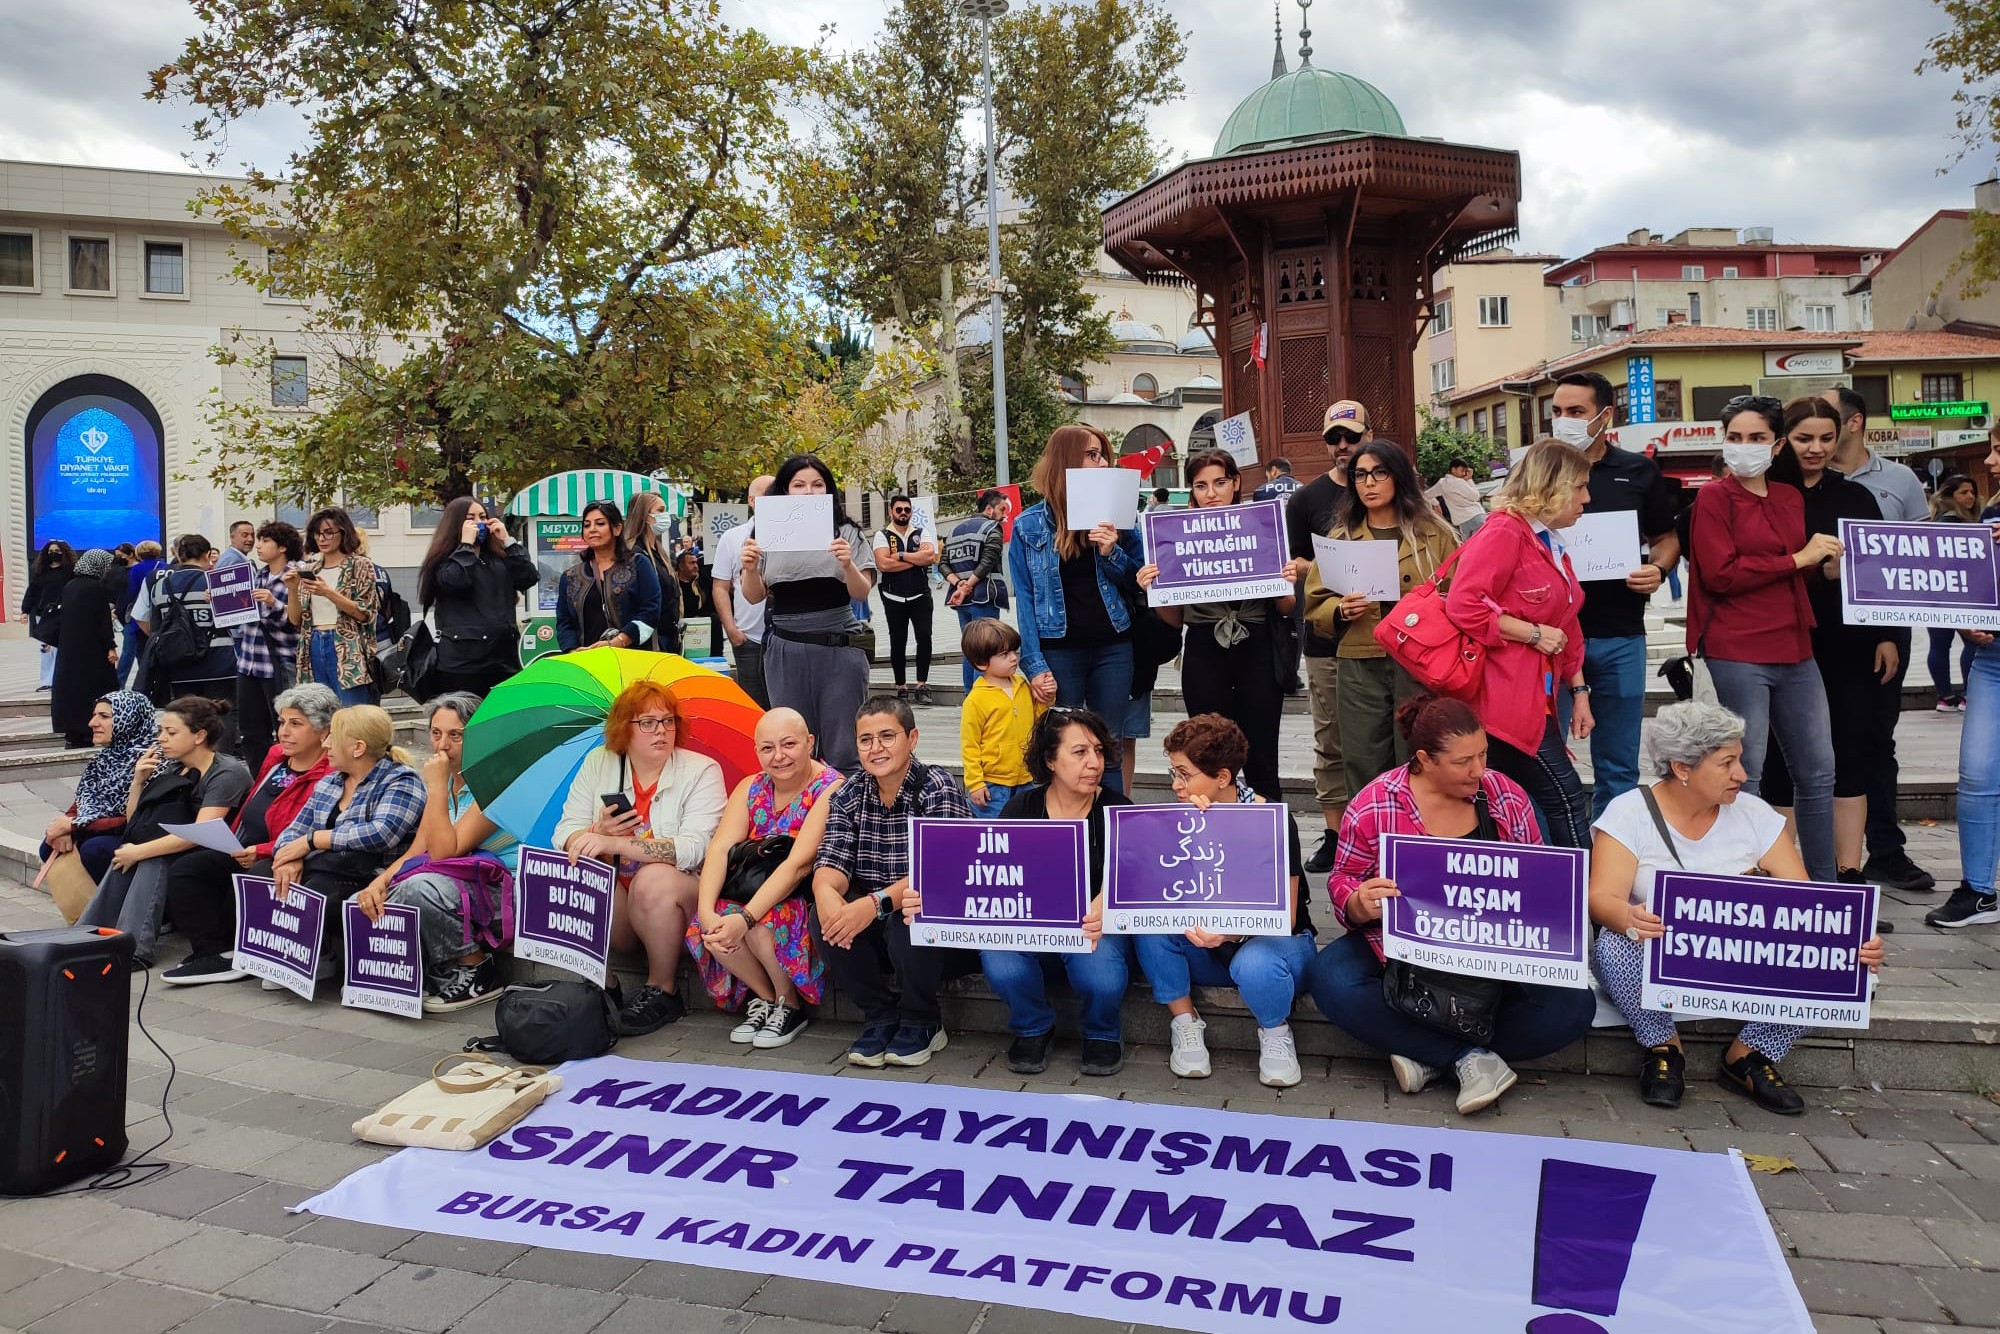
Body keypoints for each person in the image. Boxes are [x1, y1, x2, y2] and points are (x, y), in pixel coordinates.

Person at [1590, 701, 1884, 1113]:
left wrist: (1852, 944)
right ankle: (1663, 1046)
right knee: (1613, 947)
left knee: (1852, 974)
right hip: (1663, 960)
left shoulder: (1753, 815)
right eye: (1727, 763)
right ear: (1682, 768)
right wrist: (1629, 916)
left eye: (1739, 760)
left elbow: (1806, 903)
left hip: (1748, 961)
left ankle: (1748, 1054)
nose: (1742, 775)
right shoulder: (1628, 813)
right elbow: (1602, 898)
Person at [1308, 694, 1593, 1113]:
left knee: (1574, 1006)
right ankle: (1467, 1059)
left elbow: (1538, 876)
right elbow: (1344, 878)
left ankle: (1426, 1052)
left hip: (1493, 955)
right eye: (1464, 762)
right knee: (1330, 977)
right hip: (1404, 958)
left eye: (1483, 754)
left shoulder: (1505, 796)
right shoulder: (1374, 804)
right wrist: (1357, 903)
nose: (1479, 769)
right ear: (1424, 759)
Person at [908, 706, 1134, 1077]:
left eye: (1097, 751)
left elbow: (1134, 875)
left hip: (1094, 929)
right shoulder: (1021, 807)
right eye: (1080, 752)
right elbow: (987, 873)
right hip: (1031, 929)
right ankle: (1033, 1027)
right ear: (1050, 760)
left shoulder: (1116, 809)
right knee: (998, 956)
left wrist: (1104, 902)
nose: (1094, 762)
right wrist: (929, 897)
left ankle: (1102, 1031)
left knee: (1102, 973)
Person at [1684, 395, 1838, 881]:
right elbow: (1720, 573)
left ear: (1776, 446)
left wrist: (1825, 568)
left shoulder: (1791, 498)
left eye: (1756, 438)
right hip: (1737, 646)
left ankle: (1823, 886)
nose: (1743, 447)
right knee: (1740, 772)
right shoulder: (1713, 497)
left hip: (1795, 645)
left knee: (1818, 772)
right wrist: (1798, 560)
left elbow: (1796, 571)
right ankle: (1742, 884)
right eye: (1734, 438)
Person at [1130, 714, 1314, 1088]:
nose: (1175, 785)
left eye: (1185, 774)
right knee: (1149, 928)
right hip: (1206, 946)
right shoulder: (1176, 818)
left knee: (1255, 962)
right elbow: (1159, 896)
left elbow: (1287, 915)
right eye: (1173, 773)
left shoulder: (1271, 818)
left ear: (1223, 778)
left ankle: (1275, 1032)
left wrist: (1227, 934)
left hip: (1276, 947)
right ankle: (1185, 1023)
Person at [1759, 398, 1897, 891]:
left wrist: (1885, 635)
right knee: (1779, 757)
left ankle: (1847, 871)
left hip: (1851, 643)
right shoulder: (1766, 492)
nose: (1815, 448)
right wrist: (1811, 566)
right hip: (1784, 638)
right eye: (1804, 438)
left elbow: (1882, 574)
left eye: (1825, 438)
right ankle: (1782, 875)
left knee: (1850, 752)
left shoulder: (1856, 497)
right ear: (1784, 439)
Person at [1442, 440, 1594, 847]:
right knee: (1565, 798)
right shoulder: (1506, 531)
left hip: (1534, 696)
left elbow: (1567, 622)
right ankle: (1586, 903)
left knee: (1533, 804)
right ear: (1554, 486)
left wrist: (1579, 691)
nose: (1586, 498)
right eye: (1579, 487)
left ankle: (1562, 896)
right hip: (1503, 701)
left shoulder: (1546, 537)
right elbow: (1463, 604)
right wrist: (1532, 633)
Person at [555, 679, 728, 1034]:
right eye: (647, 723)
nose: (661, 731)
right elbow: (564, 834)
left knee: (652, 878)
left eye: (668, 721)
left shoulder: (700, 770)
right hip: (622, 906)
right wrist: (597, 833)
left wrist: (618, 845)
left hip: (681, 904)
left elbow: (693, 849)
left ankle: (664, 990)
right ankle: (603, 982)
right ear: (624, 728)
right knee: (574, 867)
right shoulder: (599, 763)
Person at [811, 696, 975, 1067]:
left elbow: (941, 868)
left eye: (887, 736)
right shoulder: (850, 792)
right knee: (821, 916)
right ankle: (881, 1016)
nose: (876, 748)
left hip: (942, 930)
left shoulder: (936, 786)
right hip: (876, 923)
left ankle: (922, 1020)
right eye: (866, 740)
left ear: (912, 738)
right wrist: (826, 896)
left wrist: (873, 904)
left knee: (912, 911)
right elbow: (831, 861)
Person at [1551, 371, 1684, 821]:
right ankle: (1550, 852)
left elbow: (1666, 538)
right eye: (1556, 412)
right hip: (1550, 640)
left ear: (1605, 416)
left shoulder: (1637, 471)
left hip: (1620, 636)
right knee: (1543, 757)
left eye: (1575, 412)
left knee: (1619, 764)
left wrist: (1659, 569)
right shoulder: (1536, 469)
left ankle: (1613, 854)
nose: (1563, 420)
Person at [1823, 385, 1936, 894]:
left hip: (1880, 636)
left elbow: (1925, 555)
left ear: (1853, 422)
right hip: (1816, 631)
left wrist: (1891, 631)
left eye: (1829, 420)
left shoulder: (1900, 480)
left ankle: (1886, 850)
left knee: (1874, 741)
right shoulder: (1800, 480)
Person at [1135, 448, 1297, 798]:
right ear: (1191, 490)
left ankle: (1271, 840)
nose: (1211, 493)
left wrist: (1286, 577)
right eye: (1201, 485)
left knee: (1262, 752)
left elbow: (1286, 606)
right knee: (1207, 751)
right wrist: (1157, 590)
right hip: (1204, 648)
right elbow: (1173, 621)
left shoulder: (1263, 526)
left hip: (1257, 646)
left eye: (1220, 482)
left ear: (1236, 483)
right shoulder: (1175, 536)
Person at [1302, 439, 1459, 797]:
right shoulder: (1340, 538)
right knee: (1362, 759)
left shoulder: (1437, 534)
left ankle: (1419, 839)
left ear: (1398, 477)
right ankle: (1372, 841)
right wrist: (1340, 610)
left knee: (1421, 754)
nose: (1369, 482)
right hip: (1360, 662)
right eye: (1360, 475)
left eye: (1379, 473)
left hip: (1421, 662)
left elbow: (1463, 598)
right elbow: (1315, 604)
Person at [159, 684, 339, 985]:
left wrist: (265, 849)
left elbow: (312, 826)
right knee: (188, 869)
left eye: (296, 724)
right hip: (243, 845)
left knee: (253, 877)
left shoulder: (330, 771)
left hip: (282, 853)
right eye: (282, 722)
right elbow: (255, 799)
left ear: (323, 731)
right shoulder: (277, 756)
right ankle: (213, 953)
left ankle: (249, 954)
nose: (284, 731)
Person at [353, 693, 520, 1009]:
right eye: (436, 733)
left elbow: (445, 853)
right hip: (462, 884)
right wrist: (379, 884)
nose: (442, 745)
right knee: (371, 895)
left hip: (508, 892)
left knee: (418, 889)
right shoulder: (443, 781)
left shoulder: (497, 780)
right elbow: (418, 853)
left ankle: (477, 970)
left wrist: (434, 789)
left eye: (456, 735)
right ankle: (427, 974)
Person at [687, 708, 842, 1047]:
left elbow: (799, 864)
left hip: (804, 894)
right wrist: (708, 909)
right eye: (768, 748)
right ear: (756, 751)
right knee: (708, 925)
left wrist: (745, 917)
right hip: (752, 886)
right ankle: (766, 998)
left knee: (763, 923)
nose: (779, 756)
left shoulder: (830, 788)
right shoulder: (750, 787)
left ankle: (790, 1002)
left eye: (789, 744)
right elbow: (719, 849)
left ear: (809, 743)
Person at [1007, 425, 1145, 790]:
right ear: (1066, 460)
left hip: (1113, 646)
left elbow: (1141, 580)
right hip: (1059, 652)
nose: (1101, 463)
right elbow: (1025, 600)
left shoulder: (1117, 515)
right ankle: (1066, 834)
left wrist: (1111, 550)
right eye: (1091, 455)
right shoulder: (1028, 526)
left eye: (1103, 455)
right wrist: (1033, 665)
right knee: (1062, 745)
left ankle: (1108, 836)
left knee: (1108, 744)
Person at [80, 696, 253, 969]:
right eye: (162, 731)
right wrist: (138, 781)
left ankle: (134, 947)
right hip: (185, 843)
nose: (162, 738)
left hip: (221, 853)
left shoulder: (227, 773)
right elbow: (136, 821)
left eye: (171, 732)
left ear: (199, 736)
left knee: (150, 857)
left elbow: (202, 832)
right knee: (129, 854)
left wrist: (139, 851)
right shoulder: (174, 766)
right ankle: (89, 933)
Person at [738, 455, 877, 773]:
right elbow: (754, 595)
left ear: (829, 490)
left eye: (817, 484)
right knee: (793, 742)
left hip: (838, 644)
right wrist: (748, 568)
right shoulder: (766, 532)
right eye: (799, 485)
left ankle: (845, 817)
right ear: (784, 491)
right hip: (785, 647)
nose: (809, 492)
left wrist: (847, 564)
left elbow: (861, 591)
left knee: (845, 746)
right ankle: (801, 819)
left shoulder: (845, 531)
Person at [268, 705, 426, 984]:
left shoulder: (402, 780)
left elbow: (381, 834)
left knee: (318, 889)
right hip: (329, 867)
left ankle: (317, 955)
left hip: (374, 874)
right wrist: (290, 856)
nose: (325, 743)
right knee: (265, 871)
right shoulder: (330, 781)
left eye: (332, 736)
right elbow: (293, 830)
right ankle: (304, 952)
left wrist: (314, 840)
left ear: (358, 747)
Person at [1929, 429, 2000, 928]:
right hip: (1993, 662)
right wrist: (1964, 616)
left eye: (1999, 449)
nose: (1990, 460)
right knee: (1976, 775)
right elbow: (1976, 586)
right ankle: (1978, 890)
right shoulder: (1993, 513)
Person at [1295, 401, 1367, 872]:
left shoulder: (1391, 489)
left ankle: (1377, 831)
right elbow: (1293, 566)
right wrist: (1309, 569)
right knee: (1331, 741)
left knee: (1381, 738)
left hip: (1385, 639)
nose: (1343, 446)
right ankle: (1336, 833)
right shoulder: (1305, 500)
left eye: (1352, 437)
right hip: (1326, 640)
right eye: (1334, 439)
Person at [417, 496, 538, 695]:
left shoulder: (497, 558)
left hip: (503, 658)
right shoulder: (446, 560)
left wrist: (508, 542)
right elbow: (454, 581)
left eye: (483, 516)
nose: (479, 523)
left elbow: (528, 578)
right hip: (462, 662)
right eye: (470, 518)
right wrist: (466, 545)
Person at [41, 691, 157, 884]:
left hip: (137, 836)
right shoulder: (105, 758)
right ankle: (85, 909)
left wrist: (75, 825)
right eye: (94, 715)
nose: (92, 723)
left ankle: (116, 909)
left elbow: (132, 821)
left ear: (129, 719)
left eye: (104, 716)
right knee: (50, 843)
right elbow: (84, 801)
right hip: (102, 828)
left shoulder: (151, 760)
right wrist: (68, 824)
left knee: (96, 849)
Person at [285, 508, 382, 708]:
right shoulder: (310, 568)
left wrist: (328, 592)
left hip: (347, 647)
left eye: (329, 532)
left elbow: (364, 613)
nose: (322, 538)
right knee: (318, 714)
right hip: (312, 644)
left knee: (352, 714)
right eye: (317, 533)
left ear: (343, 533)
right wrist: (292, 590)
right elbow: (295, 620)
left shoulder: (360, 565)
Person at [133, 534, 237, 710]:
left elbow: (142, 619)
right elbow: (237, 622)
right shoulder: (217, 582)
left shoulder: (160, 586)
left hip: (177, 663)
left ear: (179, 555)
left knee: (187, 719)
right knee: (222, 717)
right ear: (208, 554)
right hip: (219, 663)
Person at [232, 521, 302, 765]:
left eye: (264, 541)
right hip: (249, 663)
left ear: (282, 547)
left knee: (285, 726)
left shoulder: (295, 576)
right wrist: (221, 602)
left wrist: (274, 603)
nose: (258, 546)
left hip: (278, 663)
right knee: (251, 731)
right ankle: (258, 780)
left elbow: (298, 622)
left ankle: (286, 776)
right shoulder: (258, 575)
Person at [959, 618, 1043, 819]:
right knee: (993, 833)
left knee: (1024, 831)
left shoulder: (1022, 685)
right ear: (981, 662)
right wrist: (975, 782)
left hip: (1024, 778)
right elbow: (970, 745)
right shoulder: (976, 699)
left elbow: (1038, 718)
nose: (1014, 658)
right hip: (992, 785)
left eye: (1014, 651)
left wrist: (1046, 697)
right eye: (1004, 654)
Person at [555, 499, 663, 654]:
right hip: (587, 661)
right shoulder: (570, 576)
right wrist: (573, 650)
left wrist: (619, 642)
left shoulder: (638, 564)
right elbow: (564, 622)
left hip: (632, 658)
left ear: (617, 528)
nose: (592, 529)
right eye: (587, 525)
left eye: (600, 523)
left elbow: (651, 609)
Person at [712, 475, 775, 706]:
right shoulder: (732, 538)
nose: (772, 500)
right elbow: (720, 586)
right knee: (754, 708)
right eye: (766, 495)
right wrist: (731, 630)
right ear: (751, 500)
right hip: (748, 638)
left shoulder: (794, 537)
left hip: (786, 637)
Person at [942, 488, 1012, 691]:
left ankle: (970, 698)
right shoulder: (992, 528)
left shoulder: (955, 530)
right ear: (989, 509)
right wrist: (968, 586)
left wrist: (959, 585)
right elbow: (988, 561)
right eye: (1001, 509)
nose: (1004, 515)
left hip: (961, 601)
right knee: (986, 650)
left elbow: (943, 563)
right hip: (984, 596)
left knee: (970, 650)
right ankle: (982, 699)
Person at [51, 550, 119, 748]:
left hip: (70, 649)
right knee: (95, 690)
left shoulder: (70, 586)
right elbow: (101, 622)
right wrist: (110, 646)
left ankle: (74, 733)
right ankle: (90, 731)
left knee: (72, 690)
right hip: (92, 651)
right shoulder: (95, 588)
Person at [874, 494, 938, 704]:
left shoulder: (921, 532)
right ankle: (901, 686)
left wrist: (900, 556)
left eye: (907, 510)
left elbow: (929, 557)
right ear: (891, 512)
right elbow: (883, 564)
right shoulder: (882, 535)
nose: (903, 513)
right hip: (893, 596)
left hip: (920, 595)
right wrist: (915, 559)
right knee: (897, 641)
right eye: (899, 509)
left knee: (924, 638)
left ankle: (922, 684)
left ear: (911, 512)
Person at [1928, 474, 1981, 710]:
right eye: (1963, 492)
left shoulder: (1937, 521)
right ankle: (1968, 694)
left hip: (1937, 592)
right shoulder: (1955, 523)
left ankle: (1946, 696)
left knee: (1940, 644)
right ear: (1950, 496)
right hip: (1959, 592)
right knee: (1971, 643)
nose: (1970, 496)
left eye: (1972, 492)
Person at [625, 491, 681, 653]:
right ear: (646, 516)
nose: (666, 516)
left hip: (667, 637)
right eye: (661, 510)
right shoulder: (635, 554)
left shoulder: (659, 552)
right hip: (650, 641)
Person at [22, 540, 74, 691]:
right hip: (43, 614)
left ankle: (57, 679)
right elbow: (32, 592)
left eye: (57, 550)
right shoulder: (41, 572)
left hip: (63, 613)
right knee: (45, 649)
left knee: (60, 648)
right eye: (50, 550)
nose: (53, 553)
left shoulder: (69, 571)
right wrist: (25, 610)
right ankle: (46, 680)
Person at [117, 540, 164, 688]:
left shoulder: (135, 570)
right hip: (159, 615)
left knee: (128, 652)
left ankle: (119, 685)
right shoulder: (165, 567)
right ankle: (147, 684)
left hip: (137, 618)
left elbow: (131, 593)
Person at [1424, 459, 1487, 539]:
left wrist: (1435, 503)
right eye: (1462, 470)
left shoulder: (1442, 483)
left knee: (1468, 548)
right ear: (1453, 469)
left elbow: (1426, 495)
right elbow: (1475, 496)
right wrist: (1469, 479)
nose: (1464, 474)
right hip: (1476, 516)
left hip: (1461, 521)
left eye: (1465, 471)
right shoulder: (1459, 481)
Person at [674, 548, 714, 654]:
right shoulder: (672, 583)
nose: (695, 566)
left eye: (696, 562)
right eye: (691, 563)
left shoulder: (702, 582)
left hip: (700, 627)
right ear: (681, 566)